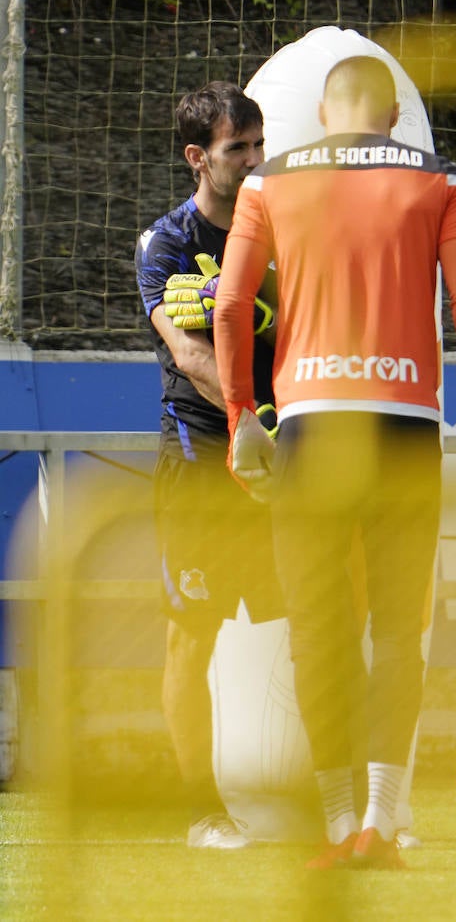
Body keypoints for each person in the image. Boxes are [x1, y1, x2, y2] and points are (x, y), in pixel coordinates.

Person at [212, 55, 456, 870]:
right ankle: (383, 820)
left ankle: (340, 823)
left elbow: (235, 303)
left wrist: (243, 414)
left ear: (320, 111)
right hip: (406, 426)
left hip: (311, 426)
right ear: (391, 118)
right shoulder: (442, 184)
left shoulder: (267, 186)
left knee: (319, 631)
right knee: (394, 629)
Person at [135, 81, 278, 849]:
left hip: (284, 459)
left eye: (260, 146)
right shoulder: (164, 243)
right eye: (238, 150)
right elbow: (189, 355)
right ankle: (203, 812)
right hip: (200, 459)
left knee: (320, 624)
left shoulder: (282, 227)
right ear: (199, 157)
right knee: (192, 640)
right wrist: (250, 419)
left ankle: (355, 803)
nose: (255, 161)